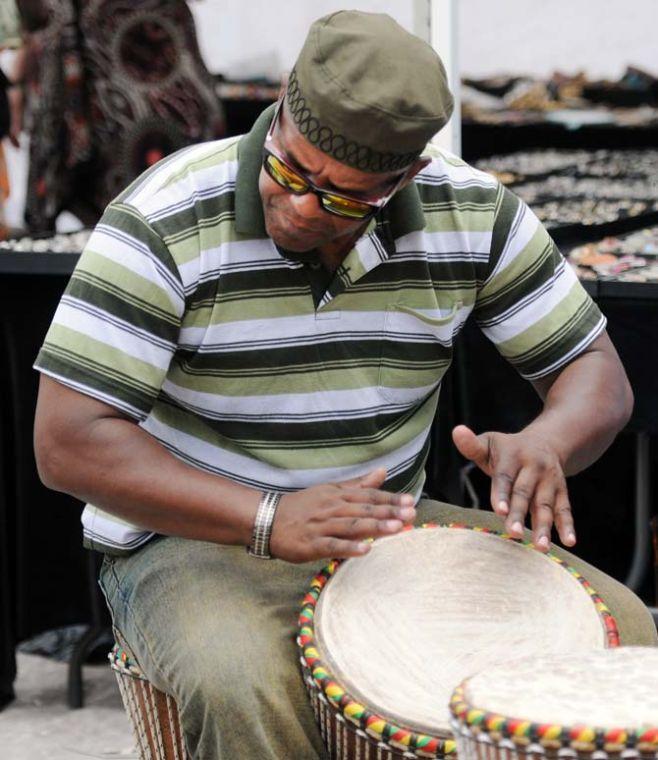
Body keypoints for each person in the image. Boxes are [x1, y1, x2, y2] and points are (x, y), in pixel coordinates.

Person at [33, 10, 655, 759]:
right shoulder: (165, 218)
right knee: (242, 681)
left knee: (620, 630)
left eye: (342, 197)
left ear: (406, 177)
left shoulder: (473, 213)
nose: (300, 207)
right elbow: (66, 444)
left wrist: (546, 443)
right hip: (187, 535)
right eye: (290, 171)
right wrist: (266, 516)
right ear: (284, 108)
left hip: (381, 527)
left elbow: (598, 377)